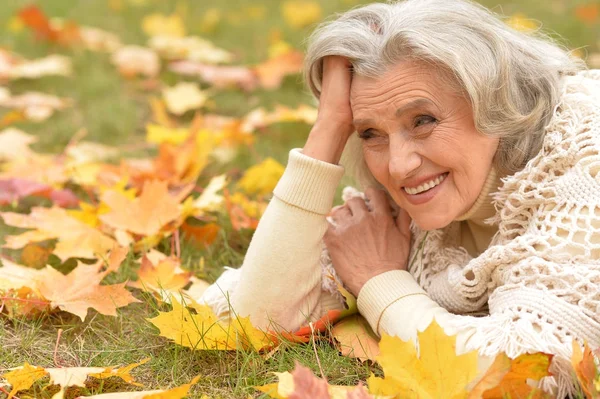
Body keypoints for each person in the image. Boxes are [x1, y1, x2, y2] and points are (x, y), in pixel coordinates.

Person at [200, 0, 600, 396]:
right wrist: (329, 129)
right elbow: (254, 316)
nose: (398, 166)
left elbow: (526, 372)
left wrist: (380, 283)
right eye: (370, 134)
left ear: (495, 101)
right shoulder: (407, 206)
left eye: (423, 121)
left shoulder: (584, 155)